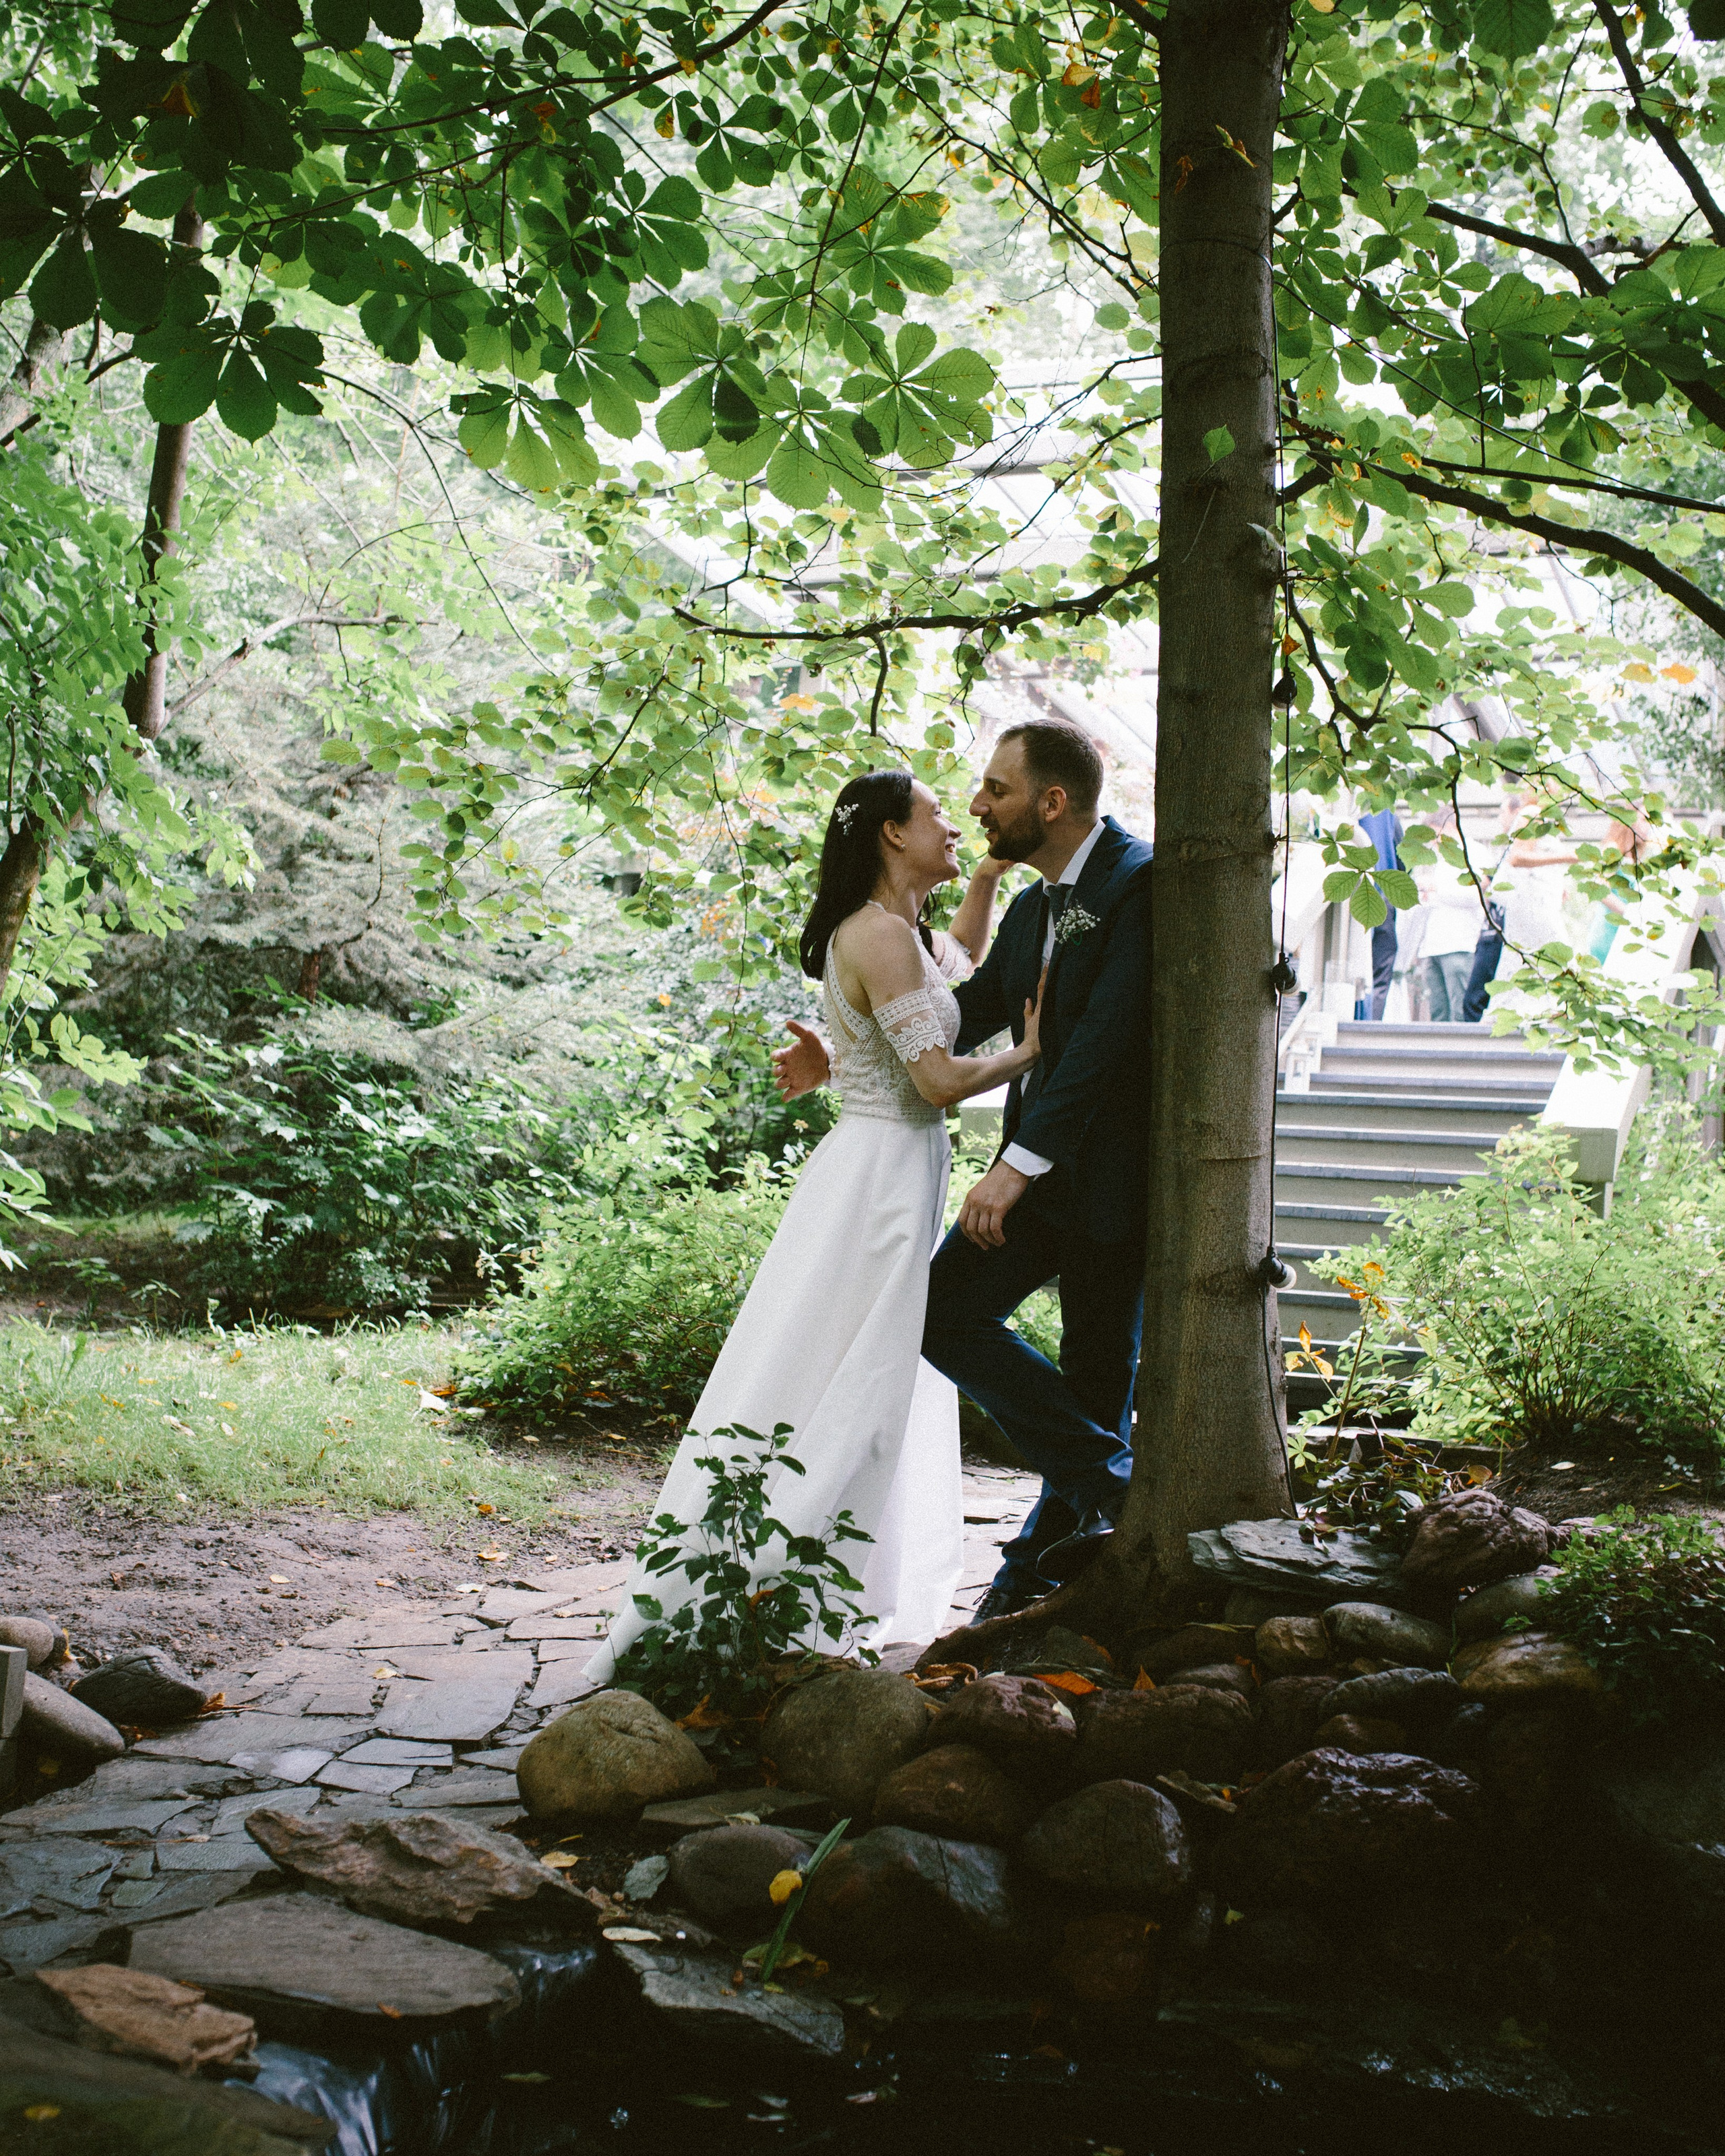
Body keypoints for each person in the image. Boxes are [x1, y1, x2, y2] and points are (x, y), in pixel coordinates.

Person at [587, 769, 1040, 1681]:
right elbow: (936, 1080)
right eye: (936, 815)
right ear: (890, 833)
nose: (954, 826)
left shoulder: (902, 932)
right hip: (877, 1182)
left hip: (893, 1170)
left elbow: (955, 966)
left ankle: (824, 1580)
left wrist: (989, 879)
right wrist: (1031, 1051)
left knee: (872, 1371)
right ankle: (773, 1585)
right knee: (851, 1373)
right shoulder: (875, 934)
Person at [777, 721, 1153, 1622]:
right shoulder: (1030, 909)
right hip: (1034, 1179)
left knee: (1098, 1375)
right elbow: (956, 1012)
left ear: (1051, 803)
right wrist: (847, 1048)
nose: (977, 806)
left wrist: (1013, 1167)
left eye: (995, 789)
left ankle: (1031, 1577)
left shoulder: (1139, 882)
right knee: (941, 1312)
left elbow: (1100, 1046)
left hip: (1112, 1183)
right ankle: (1116, 1483)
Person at [1416, 811, 1481, 1023]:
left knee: (1459, 1011)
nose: (1434, 842)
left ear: (1450, 827)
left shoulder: (1473, 852)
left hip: (1458, 945)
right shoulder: (1439, 859)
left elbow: (1475, 895)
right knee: (1438, 1013)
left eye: (1435, 835)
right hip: (1433, 946)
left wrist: (1436, 888)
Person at [1359, 804, 1404, 1020]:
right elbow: (1403, 858)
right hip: (1383, 893)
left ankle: (1357, 1018)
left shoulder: (1345, 802)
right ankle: (1371, 1023)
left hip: (1352, 893)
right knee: (1380, 972)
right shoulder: (1387, 811)